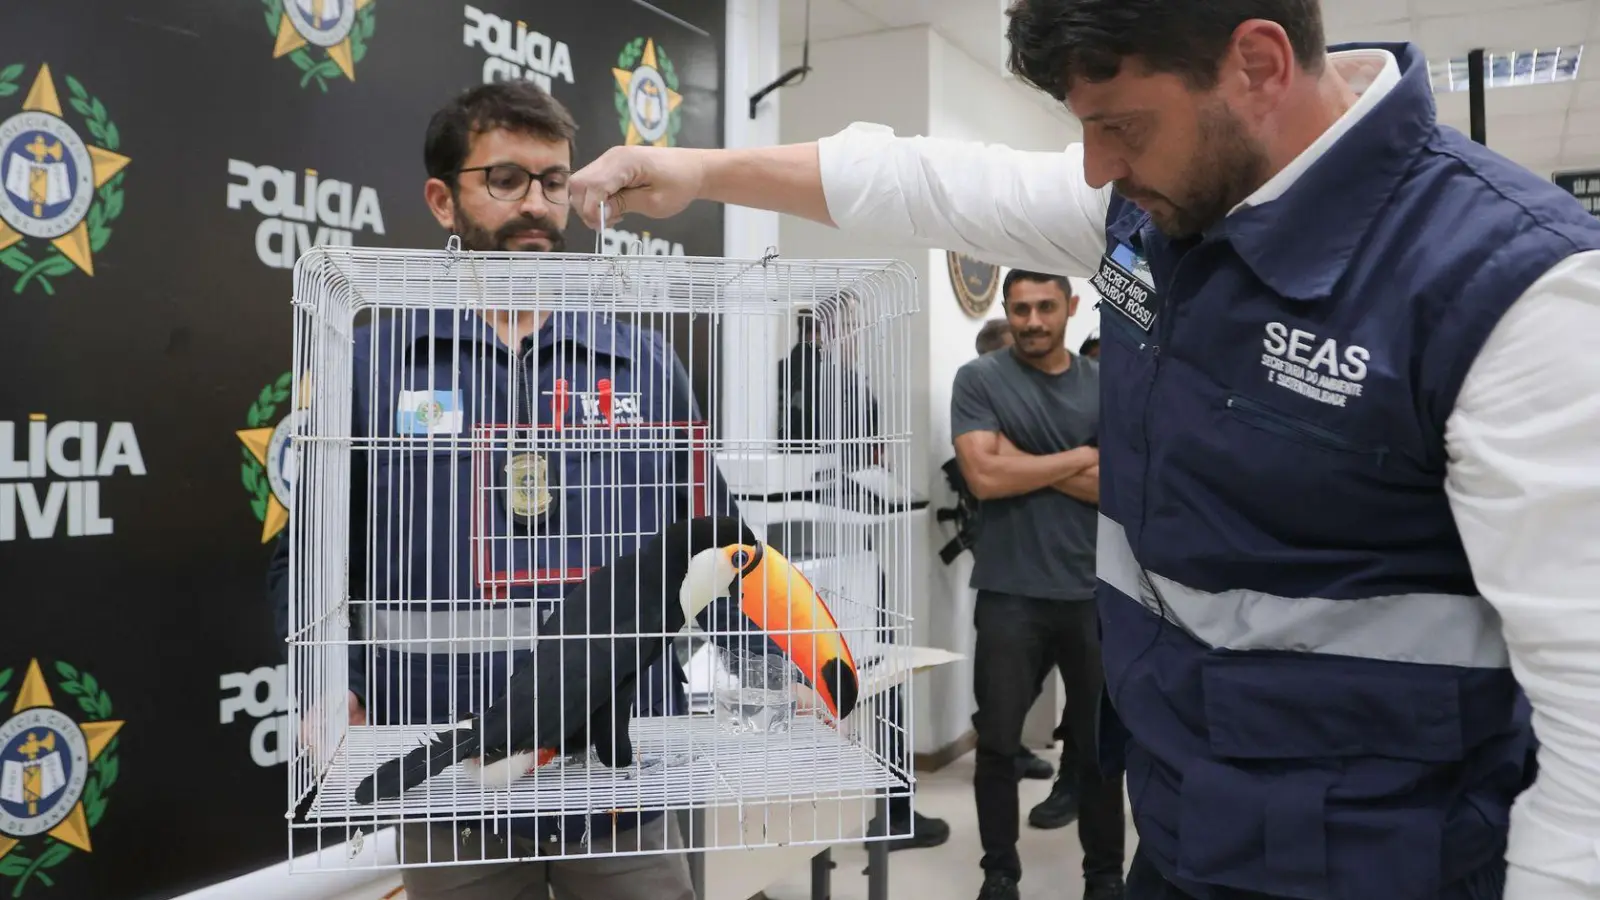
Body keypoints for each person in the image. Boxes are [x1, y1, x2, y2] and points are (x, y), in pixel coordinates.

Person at [565, 1, 1600, 898]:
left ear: (1258, 64)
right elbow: (925, 181)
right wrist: (698, 169)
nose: (1098, 164)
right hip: (1184, 829)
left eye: (1120, 125)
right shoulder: (1151, 215)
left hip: (1391, 861)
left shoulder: (1511, 289)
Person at [268, 80, 732, 900]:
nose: (536, 205)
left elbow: (715, 542)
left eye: (553, 181)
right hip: (452, 778)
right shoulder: (373, 367)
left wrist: (779, 666)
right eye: (506, 180)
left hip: (619, 773)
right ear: (443, 201)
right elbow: (304, 563)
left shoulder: (643, 364)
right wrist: (327, 685)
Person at [949, 268, 1124, 899]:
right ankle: (1000, 872)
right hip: (1010, 591)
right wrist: (1079, 456)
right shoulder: (979, 379)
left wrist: (1017, 458)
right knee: (998, 743)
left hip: (1093, 591)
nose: (1032, 322)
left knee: (1099, 747)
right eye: (1020, 309)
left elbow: (1118, 488)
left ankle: (1104, 876)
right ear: (1006, 308)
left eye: (1045, 307)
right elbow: (983, 478)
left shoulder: (1105, 385)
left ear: (1071, 307)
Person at [776, 296, 954, 853]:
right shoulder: (848, 386)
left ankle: (800, 820)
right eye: (854, 327)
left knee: (798, 685)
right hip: (848, 549)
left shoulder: (775, 378)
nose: (859, 337)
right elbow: (871, 463)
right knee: (883, 673)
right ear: (835, 329)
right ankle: (895, 811)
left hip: (785, 559)